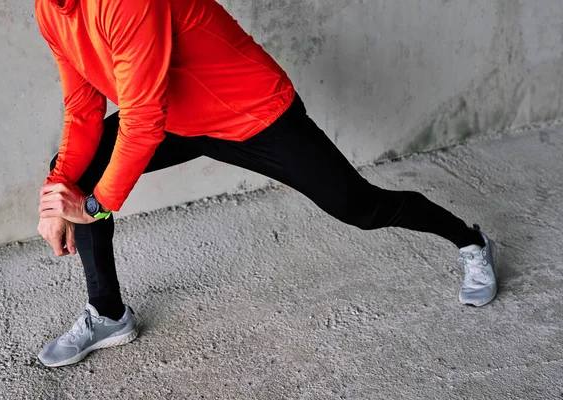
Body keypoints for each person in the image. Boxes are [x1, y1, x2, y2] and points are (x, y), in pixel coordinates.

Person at [34, 0, 497, 368]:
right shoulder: (50, 10)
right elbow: (82, 108)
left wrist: (92, 206)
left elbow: (141, 119)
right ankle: (109, 314)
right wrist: (56, 197)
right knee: (74, 172)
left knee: (360, 208)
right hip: (179, 118)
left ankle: (470, 241)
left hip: (253, 115)